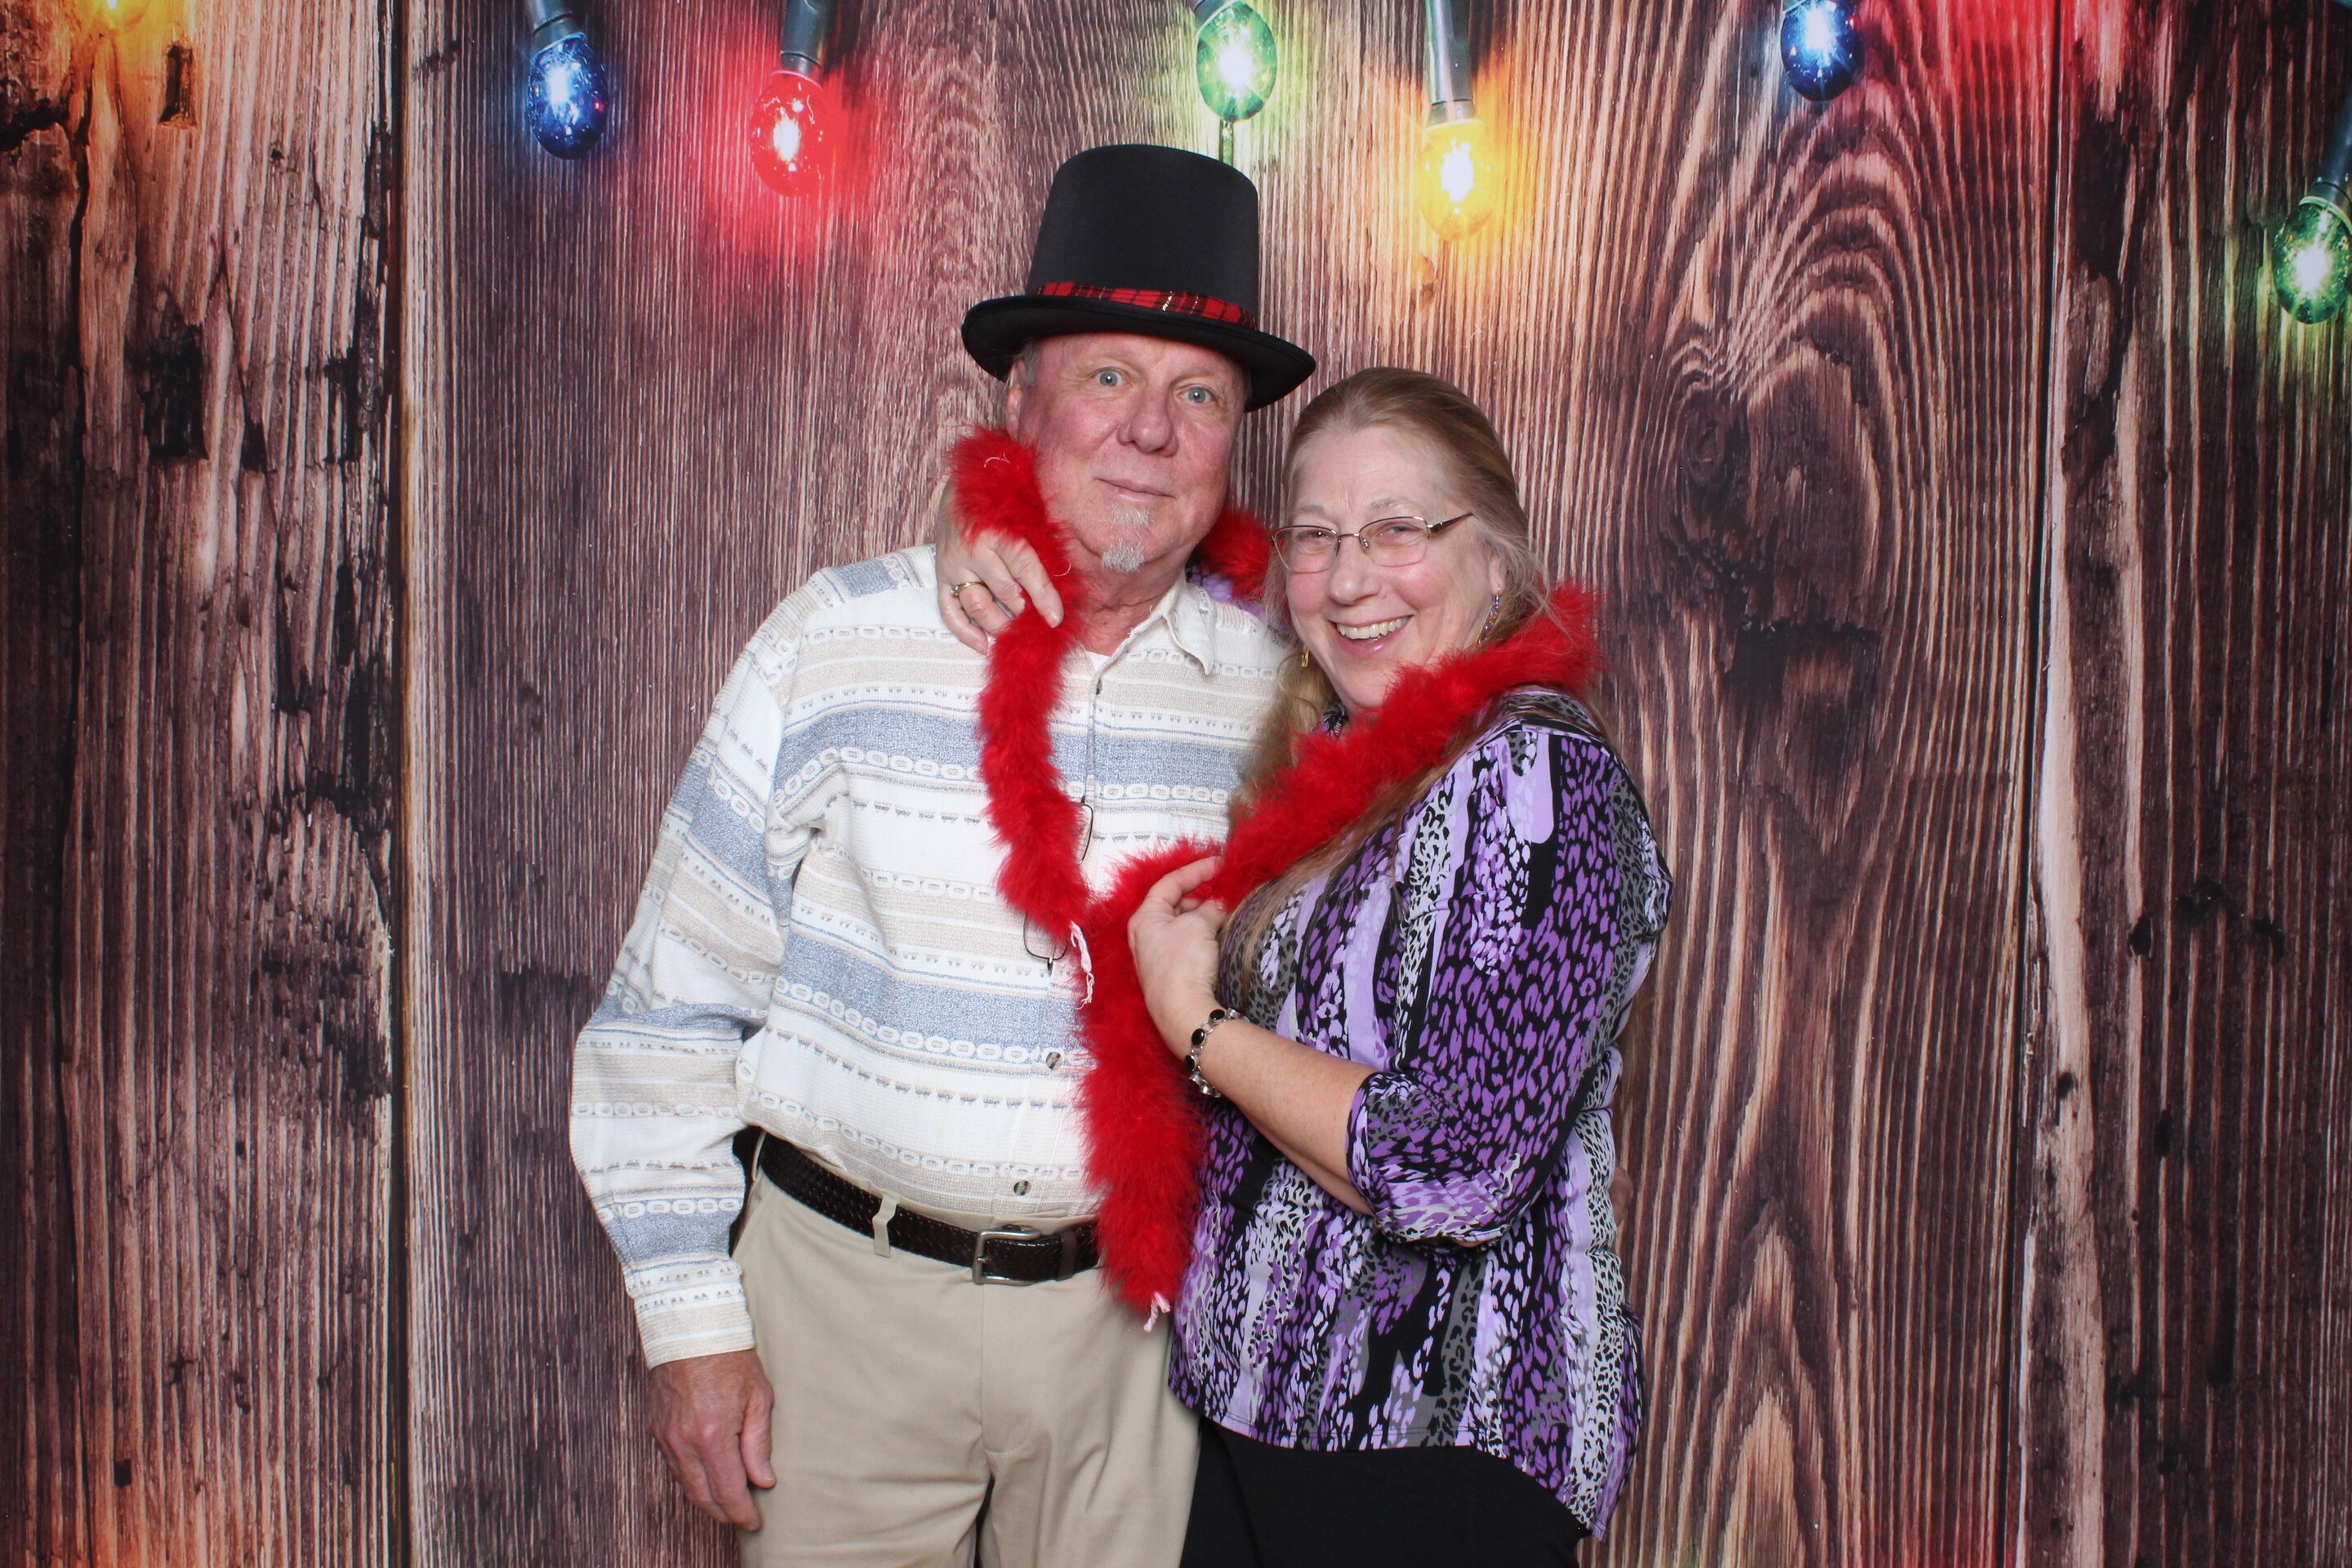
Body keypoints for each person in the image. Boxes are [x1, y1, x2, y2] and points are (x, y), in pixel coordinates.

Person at [568, 142, 1313, 1568]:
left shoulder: (1271, 698)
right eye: (1109, 377)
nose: (1149, 431)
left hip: (1128, 1342)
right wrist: (688, 1322)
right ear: (1019, 402)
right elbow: (670, 1009)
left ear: (1234, 444)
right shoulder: (840, 638)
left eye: (1199, 396)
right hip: (842, 1311)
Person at [942, 368, 1670, 1566]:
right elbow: (1137, 553)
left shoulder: (1538, 779)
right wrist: (977, 522)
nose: (1348, 578)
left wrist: (1196, 1022)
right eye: (1319, 538)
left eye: (1398, 530)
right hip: (1263, 1414)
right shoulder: (1343, 757)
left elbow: (1457, 1164)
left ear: (1496, 562)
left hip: (1428, 1431)